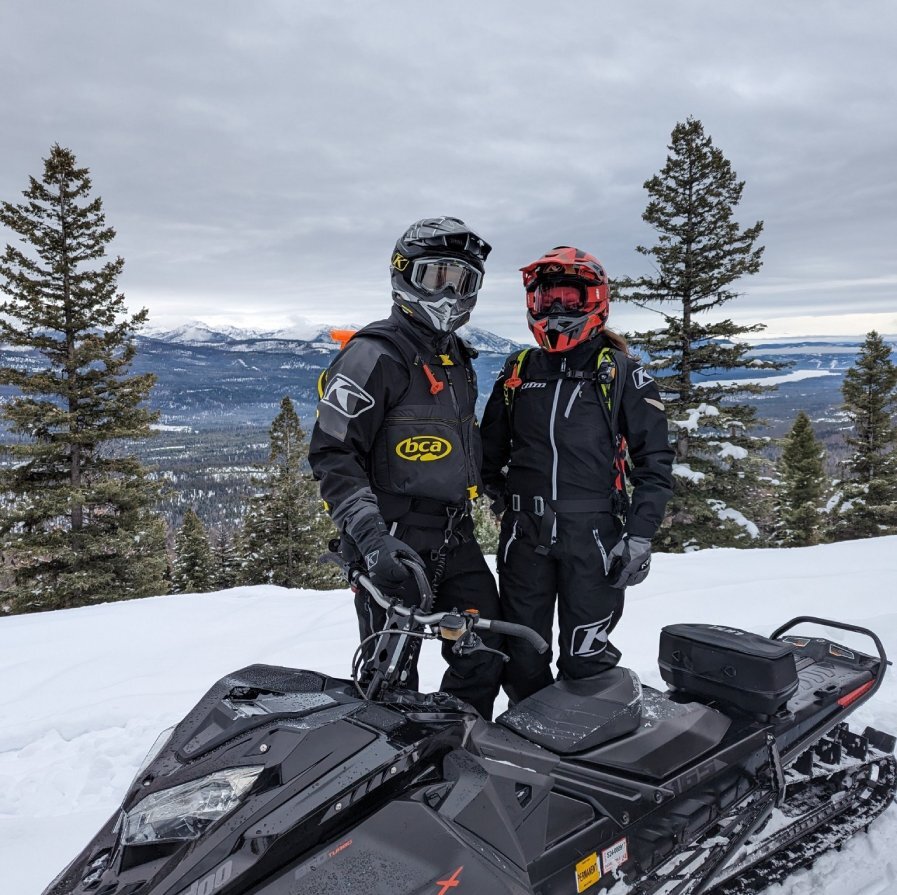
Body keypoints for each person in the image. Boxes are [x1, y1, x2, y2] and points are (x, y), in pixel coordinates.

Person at [308, 217, 504, 720]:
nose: (450, 293)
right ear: (404, 275)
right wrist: (370, 538)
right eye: (437, 276)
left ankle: (460, 747)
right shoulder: (373, 355)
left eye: (463, 282)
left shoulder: (457, 357)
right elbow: (333, 452)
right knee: (392, 673)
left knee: (482, 652)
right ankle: (390, 769)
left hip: (452, 534)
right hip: (390, 534)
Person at [480, 246, 674, 704]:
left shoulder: (621, 372)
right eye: (549, 299)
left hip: (594, 535)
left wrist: (641, 534)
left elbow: (656, 461)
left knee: (587, 656)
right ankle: (528, 749)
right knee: (522, 654)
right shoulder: (518, 370)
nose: (558, 308)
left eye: (570, 297)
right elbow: (487, 451)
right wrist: (501, 500)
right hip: (524, 536)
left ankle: (590, 754)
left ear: (595, 300)